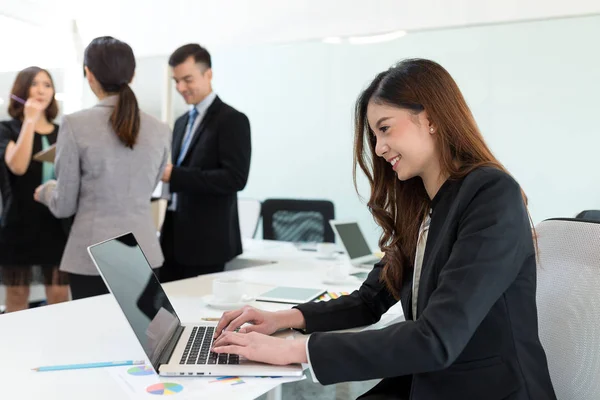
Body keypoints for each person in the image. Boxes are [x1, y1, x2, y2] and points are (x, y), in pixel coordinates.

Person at [211, 59, 557, 399]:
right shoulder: (424, 204)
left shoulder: (490, 195)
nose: (378, 148)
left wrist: (295, 350)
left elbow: (435, 338)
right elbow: (369, 299)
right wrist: (283, 318)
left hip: (487, 390)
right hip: (429, 380)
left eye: (385, 129)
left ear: (431, 118)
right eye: (374, 136)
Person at [35, 36, 170, 300]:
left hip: (91, 256)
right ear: (132, 75)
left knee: (91, 337)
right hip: (144, 252)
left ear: (89, 75)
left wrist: (46, 191)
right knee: (144, 338)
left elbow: (64, 205)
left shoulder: (75, 125)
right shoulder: (161, 129)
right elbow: (152, 188)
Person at [159, 43, 251, 282]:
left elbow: (235, 178)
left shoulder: (232, 120)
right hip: (172, 236)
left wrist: (175, 175)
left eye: (187, 79)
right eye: (176, 81)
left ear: (208, 74)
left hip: (207, 242)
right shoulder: (180, 123)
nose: (180, 87)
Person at [0, 67, 69, 312]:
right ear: (22, 90)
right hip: (18, 224)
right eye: (35, 84)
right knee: (17, 296)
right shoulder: (7, 129)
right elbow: (17, 166)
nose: (41, 90)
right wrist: (30, 120)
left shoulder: (63, 132)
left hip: (55, 224)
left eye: (47, 85)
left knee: (59, 296)